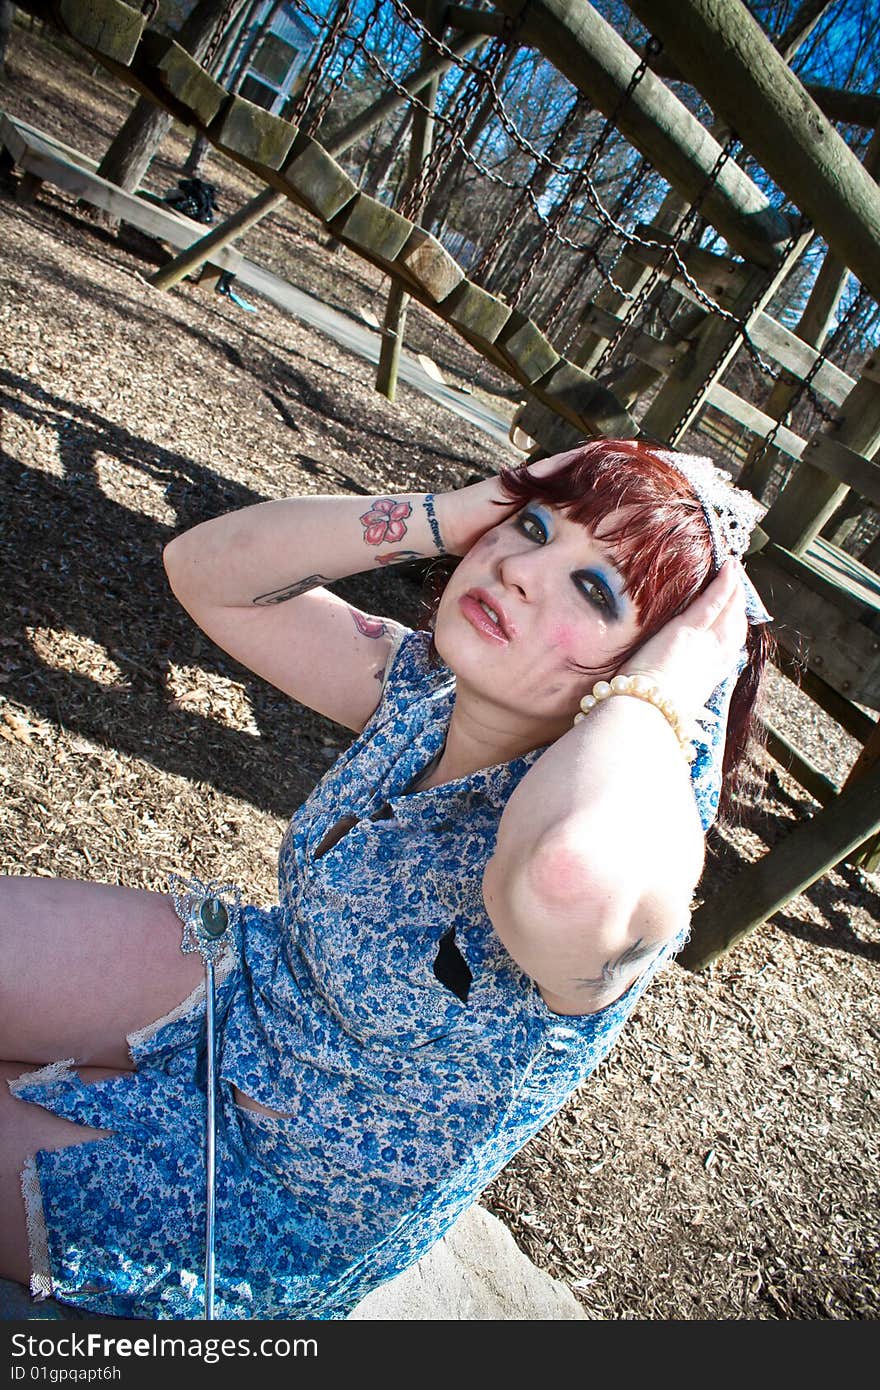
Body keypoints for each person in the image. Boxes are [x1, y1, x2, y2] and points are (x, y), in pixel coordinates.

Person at [0, 438, 771, 1320]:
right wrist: (451, 514)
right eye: (532, 528)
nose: (520, 569)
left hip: (276, 1200)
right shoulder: (423, 692)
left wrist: (667, 687)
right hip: (250, 994)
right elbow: (202, 569)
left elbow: (564, 873)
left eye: (595, 589)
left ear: (654, 671)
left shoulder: (628, 837)